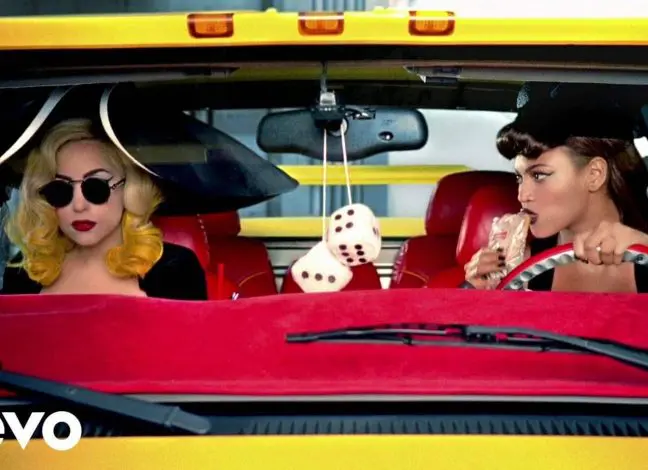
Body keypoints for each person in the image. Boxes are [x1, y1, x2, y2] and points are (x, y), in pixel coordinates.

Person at [464, 83, 648, 292]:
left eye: (539, 175)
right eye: (519, 178)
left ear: (595, 174)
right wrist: (475, 294)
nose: (522, 195)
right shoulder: (518, 267)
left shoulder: (644, 249)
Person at [0, 118, 208, 300]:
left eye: (96, 188)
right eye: (60, 191)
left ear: (130, 188)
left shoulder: (173, 269)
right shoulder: (26, 271)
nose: (79, 206)